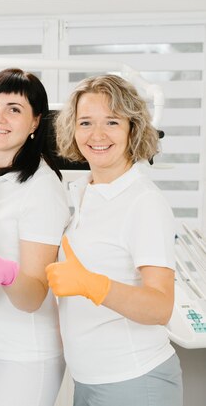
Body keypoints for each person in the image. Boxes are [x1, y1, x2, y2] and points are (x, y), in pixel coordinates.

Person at [48, 74, 182, 406]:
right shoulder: (84, 193)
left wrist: (93, 285)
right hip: (90, 380)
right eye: (86, 122)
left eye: (111, 121)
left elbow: (160, 306)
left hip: (134, 380)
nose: (97, 135)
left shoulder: (143, 202)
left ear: (132, 128)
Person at [0, 68, 70, 406]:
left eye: (15, 109)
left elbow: (34, 295)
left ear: (36, 122)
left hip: (23, 355)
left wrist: (7, 274)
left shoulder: (42, 188)